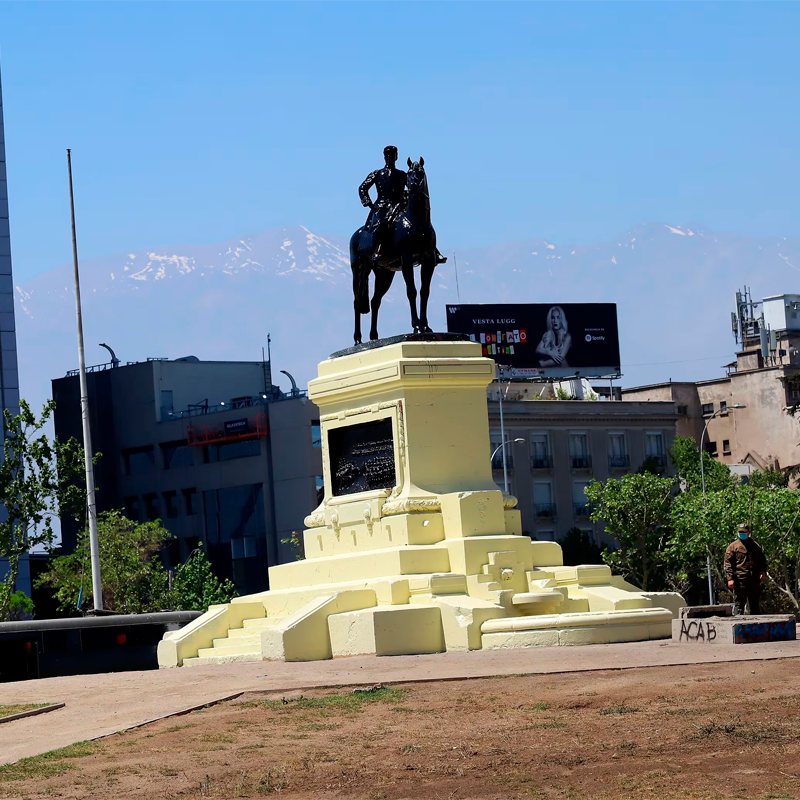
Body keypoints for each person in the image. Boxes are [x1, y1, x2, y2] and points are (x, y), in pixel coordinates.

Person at [358, 145, 446, 265]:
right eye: (387, 155)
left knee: (419, 221)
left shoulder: (402, 174)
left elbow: (410, 188)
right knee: (381, 223)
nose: (389, 158)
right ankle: (377, 250)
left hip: (400, 204)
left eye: (392, 155)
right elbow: (362, 188)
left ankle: (432, 251)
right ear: (384, 157)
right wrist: (369, 203)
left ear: (396, 157)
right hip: (382, 206)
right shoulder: (377, 173)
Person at [724, 524, 767, 615]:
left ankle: (755, 624)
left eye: (743, 532)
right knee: (739, 607)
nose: (741, 534)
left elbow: (762, 561)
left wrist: (763, 572)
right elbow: (728, 564)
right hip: (740, 582)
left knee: (755, 607)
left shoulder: (755, 546)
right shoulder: (733, 547)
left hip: (754, 582)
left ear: (749, 533)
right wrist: (730, 578)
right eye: (740, 532)